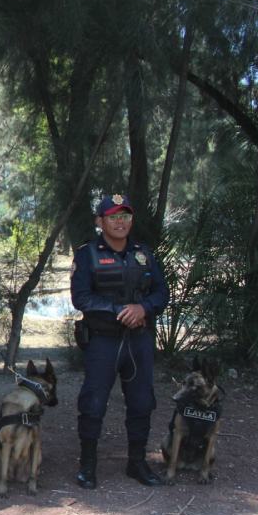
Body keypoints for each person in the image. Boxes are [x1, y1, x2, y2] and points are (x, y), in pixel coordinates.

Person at [71, 194, 169, 489]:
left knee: (141, 403)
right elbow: (81, 298)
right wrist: (121, 312)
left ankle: (137, 463)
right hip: (103, 341)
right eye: (113, 216)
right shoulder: (87, 254)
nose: (119, 222)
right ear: (100, 222)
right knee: (93, 404)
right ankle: (88, 466)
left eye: (124, 216)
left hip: (138, 342)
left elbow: (161, 293)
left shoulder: (143, 253)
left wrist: (144, 309)